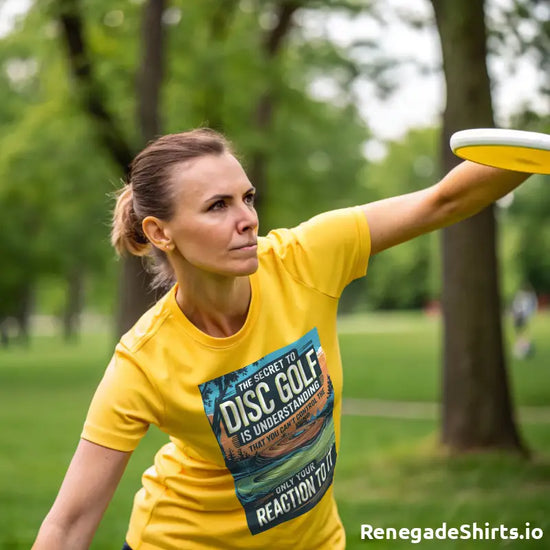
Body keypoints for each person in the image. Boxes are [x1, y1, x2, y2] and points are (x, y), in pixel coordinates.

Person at [33, 128, 530, 550]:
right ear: (161, 233)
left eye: (247, 197)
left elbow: (444, 198)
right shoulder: (142, 361)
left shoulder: (307, 259)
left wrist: (536, 152)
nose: (247, 218)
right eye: (217, 206)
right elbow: (70, 522)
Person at [511, 285, 538, 359]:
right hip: (520, 317)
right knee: (521, 333)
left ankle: (523, 347)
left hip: (521, 317)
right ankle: (522, 347)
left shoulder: (522, 297)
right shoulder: (521, 297)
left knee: (522, 333)